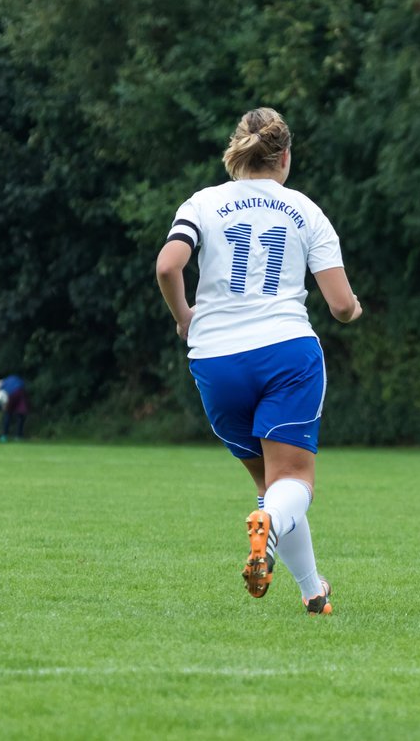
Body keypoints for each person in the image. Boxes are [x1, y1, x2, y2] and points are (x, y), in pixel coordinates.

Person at [156, 107, 362, 616]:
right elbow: (340, 305)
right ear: (285, 156)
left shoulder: (203, 202)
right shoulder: (305, 210)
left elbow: (168, 265)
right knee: (293, 484)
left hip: (216, 358)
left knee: (272, 488)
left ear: (237, 151)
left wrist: (185, 315)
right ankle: (269, 530)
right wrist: (354, 309)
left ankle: (313, 592)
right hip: (285, 351)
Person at [0, 375, 29, 442]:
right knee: (20, 415)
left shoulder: (2, 384)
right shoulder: (11, 379)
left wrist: (4, 406)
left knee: (8, 415)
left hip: (11, 394)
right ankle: (18, 436)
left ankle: (4, 436)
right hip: (19, 391)